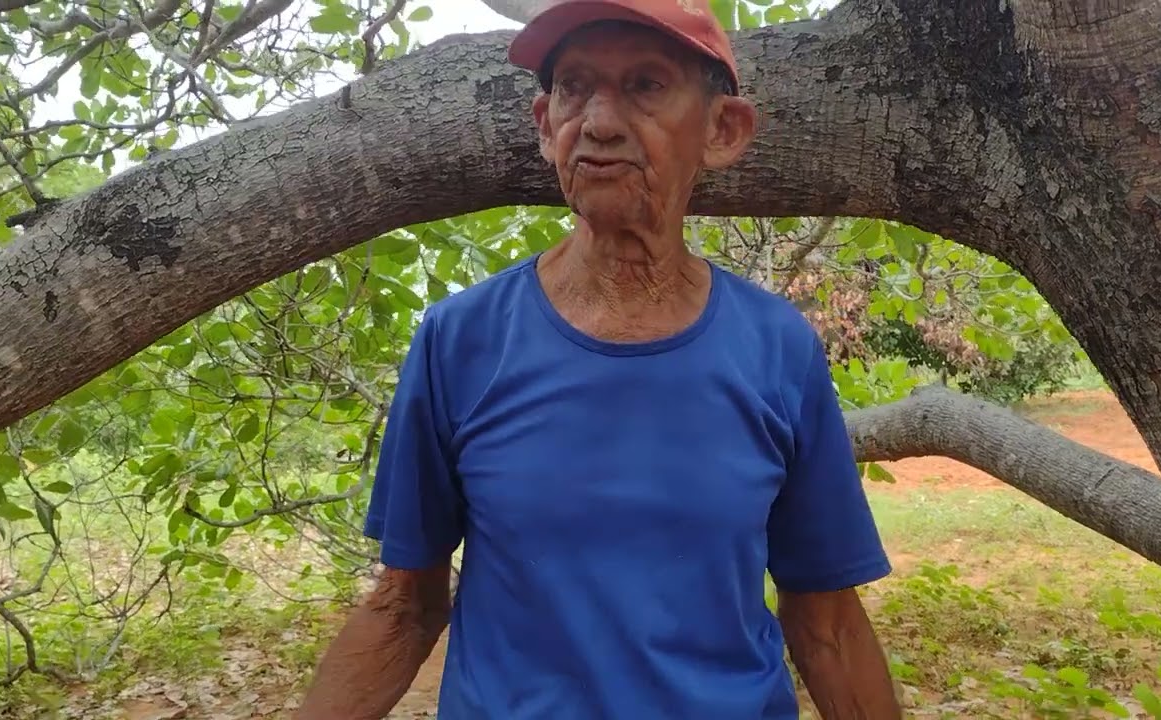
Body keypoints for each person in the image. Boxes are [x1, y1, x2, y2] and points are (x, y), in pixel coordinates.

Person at [297, 0, 901, 718]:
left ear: (723, 130)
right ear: (545, 124)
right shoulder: (463, 340)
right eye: (575, 88)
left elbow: (828, 624)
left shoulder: (777, 348)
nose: (601, 122)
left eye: (646, 85)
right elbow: (404, 606)